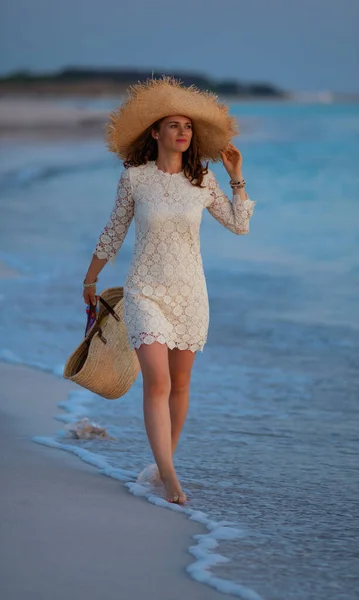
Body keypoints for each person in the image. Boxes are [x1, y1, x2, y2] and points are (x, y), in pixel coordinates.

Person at [82, 76, 256, 505]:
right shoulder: (135, 179)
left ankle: (162, 468)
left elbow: (239, 225)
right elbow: (114, 230)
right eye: (174, 125)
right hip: (145, 291)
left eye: (188, 126)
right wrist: (90, 278)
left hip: (191, 293)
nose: (183, 132)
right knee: (157, 382)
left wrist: (236, 178)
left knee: (180, 385)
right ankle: (172, 479)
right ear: (155, 132)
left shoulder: (202, 181)